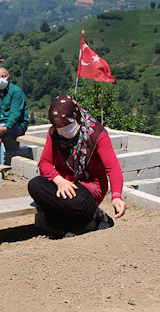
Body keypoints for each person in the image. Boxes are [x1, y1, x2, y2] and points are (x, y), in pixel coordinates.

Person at [28, 94, 125, 237]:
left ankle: (94, 215)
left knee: (76, 202)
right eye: (58, 126)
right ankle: (78, 223)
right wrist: (59, 180)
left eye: (66, 125)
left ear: (76, 118)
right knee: (35, 185)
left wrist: (116, 195)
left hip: (89, 186)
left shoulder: (96, 134)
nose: (62, 129)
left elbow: (112, 166)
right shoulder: (54, 134)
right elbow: (45, 163)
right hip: (63, 183)